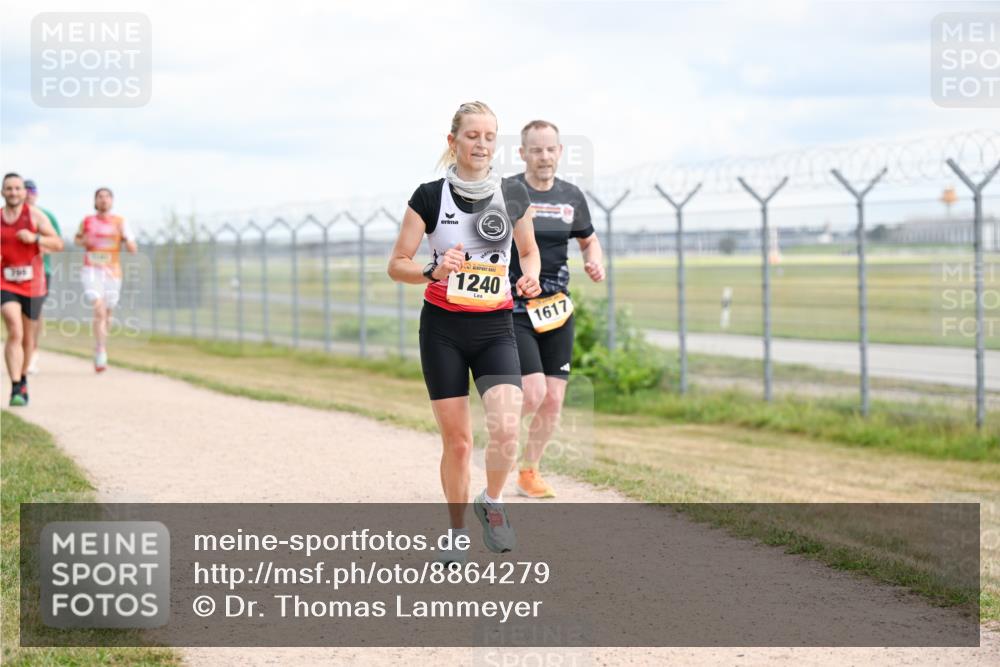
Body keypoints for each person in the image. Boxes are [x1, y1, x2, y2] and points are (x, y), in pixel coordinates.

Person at [388, 101, 541, 561]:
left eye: (490, 137)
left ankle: (491, 504)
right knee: (458, 442)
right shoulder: (428, 196)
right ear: (452, 141)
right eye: (472, 135)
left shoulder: (513, 193)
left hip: (496, 327)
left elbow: (528, 251)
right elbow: (397, 265)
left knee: (507, 427)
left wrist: (529, 274)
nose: (481, 144)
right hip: (444, 330)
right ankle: (455, 531)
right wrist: (433, 270)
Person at [508, 120, 605, 498]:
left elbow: (589, 240)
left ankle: (528, 471)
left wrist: (594, 261)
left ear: (560, 152)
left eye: (550, 149)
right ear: (523, 154)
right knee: (531, 393)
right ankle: (497, 440)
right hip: (516, 306)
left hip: (557, 309)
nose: (544, 156)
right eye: (536, 150)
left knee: (553, 399)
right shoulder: (510, 192)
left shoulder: (571, 196)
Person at [1, 173, 64, 406]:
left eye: (17, 188)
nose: (13, 192)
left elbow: (58, 244)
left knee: (27, 338)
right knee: (14, 329)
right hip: (5, 281)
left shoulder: (35, 216)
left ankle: (23, 378)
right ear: (2, 192)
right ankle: (15, 386)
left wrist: (35, 238)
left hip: (33, 283)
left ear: (24, 192)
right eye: (8, 188)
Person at [74, 187, 138, 372]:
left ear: (112, 201)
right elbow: (77, 240)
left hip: (112, 272)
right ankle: (101, 350)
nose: (103, 200)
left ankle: (101, 343)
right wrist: (83, 241)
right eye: (100, 197)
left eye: (107, 197)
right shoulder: (87, 221)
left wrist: (131, 245)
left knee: (108, 312)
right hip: (91, 270)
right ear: (95, 201)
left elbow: (131, 243)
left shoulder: (120, 222)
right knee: (99, 310)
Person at [24, 179, 63, 375]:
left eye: (32, 190)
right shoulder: (6, 216)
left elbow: (57, 243)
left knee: (34, 312)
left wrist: (38, 246)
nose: (29, 193)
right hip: (12, 273)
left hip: (41, 271)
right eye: (25, 190)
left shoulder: (46, 216)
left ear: (36, 194)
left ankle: (33, 351)